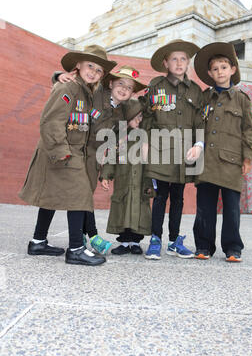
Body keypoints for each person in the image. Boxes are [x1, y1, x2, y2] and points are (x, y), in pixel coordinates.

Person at [19, 46, 116, 265]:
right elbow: (51, 120)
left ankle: (37, 241)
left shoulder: (86, 93)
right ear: (78, 66)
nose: (93, 72)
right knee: (80, 195)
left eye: (99, 70)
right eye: (90, 65)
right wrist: (61, 151)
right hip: (60, 151)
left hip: (70, 151)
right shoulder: (69, 88)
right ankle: (76, 249)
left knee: (51, 197)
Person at [51, 59, 145, 254]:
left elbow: (113, 140)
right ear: (110, 83)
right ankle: (85, 239)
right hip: (76, 150)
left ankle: (85, 238)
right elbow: (76, 84)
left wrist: (105, 171)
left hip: (93, 158)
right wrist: (57, 76)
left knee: (84, 197)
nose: (123, 89)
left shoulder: (122, 112)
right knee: (77, 197)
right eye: (120, 84)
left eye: (129, 88)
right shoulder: (96, 92)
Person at [192, 42, 252, 262]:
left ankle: (232, 247)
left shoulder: (242, 100)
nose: (220, 71)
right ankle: (203, 245)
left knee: (231, 209)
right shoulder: (204, 98)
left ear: (233, 70)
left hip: (231, 161)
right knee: (205, 208)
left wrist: (248, 157)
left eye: (224, 67)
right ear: (210, 73)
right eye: (215, 68)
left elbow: (248, 130)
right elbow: (197, 126)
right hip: (207, 162)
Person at [141, 39, 204, 260]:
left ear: (188, 63)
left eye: (183, 59)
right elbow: (147, 117)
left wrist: (198, 144)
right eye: (174, 59)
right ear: (166, 63)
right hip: (160, 150)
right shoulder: (156, 86)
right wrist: (145, 142)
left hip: (183, 153)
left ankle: (174, 241)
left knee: (178, 198)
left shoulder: (195, 91)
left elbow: (200, 121)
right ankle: (155, 239)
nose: (179, 63)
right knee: (160, 196)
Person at [100, 98, 154, 255]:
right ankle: (124, 242)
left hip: (141, 181)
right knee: (122, 209)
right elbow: (111, 158)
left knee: (139, 210)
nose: (139, 120)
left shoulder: (145, 136)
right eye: (135, 117)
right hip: (123, 181)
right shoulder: (119, 137)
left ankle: (135, 242)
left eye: (141, 117)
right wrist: (105, 176)